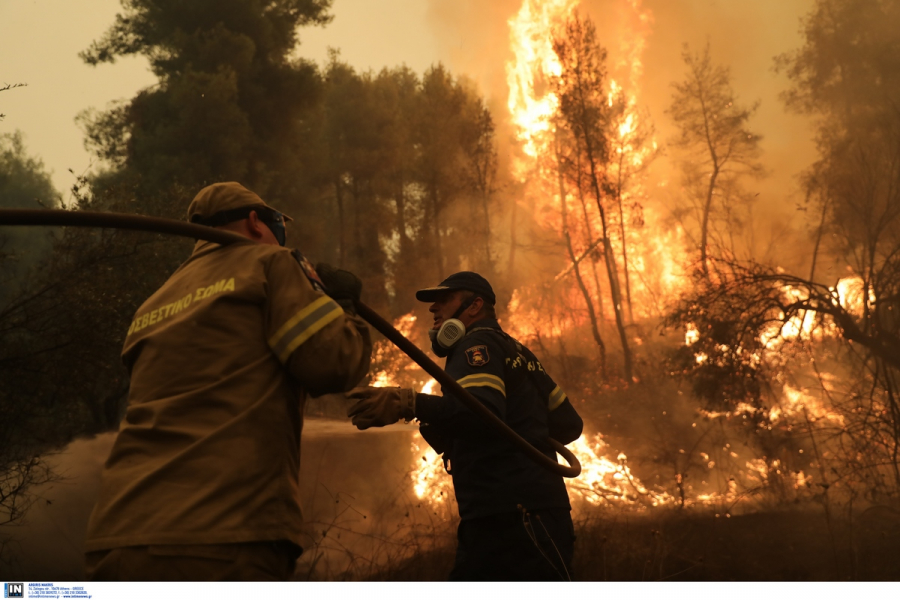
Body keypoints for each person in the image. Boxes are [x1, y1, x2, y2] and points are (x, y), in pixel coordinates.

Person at [84, 181, 372, 581]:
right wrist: (341, 305)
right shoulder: (270, 264)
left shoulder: (153, 305)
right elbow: (334, 364)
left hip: (117, 540)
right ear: (255, 222)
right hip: (221, 535)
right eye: (279, 227)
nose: (281, 238)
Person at [347, 271, 583, 581]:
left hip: (508, 520)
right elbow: (569, 425)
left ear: (474, 306)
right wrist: (522, 432)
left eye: (444, 300)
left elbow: (479, 413)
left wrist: (410, 404)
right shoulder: (520, 353)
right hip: (538, 514)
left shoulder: (475, 345)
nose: (434, 308)